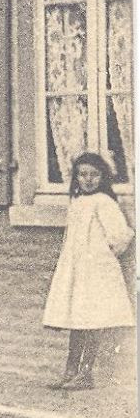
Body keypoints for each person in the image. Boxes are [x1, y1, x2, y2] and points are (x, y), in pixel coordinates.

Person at [42, 152, 134, 390]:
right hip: (78, 269)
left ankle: (86, 373)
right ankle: (70, 371)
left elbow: (121, 235)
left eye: (94, 175)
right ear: (76, 178)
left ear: (102, 177)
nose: (88, 180)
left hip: (97, 270)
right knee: (77, 320)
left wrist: (103, 256)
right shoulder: (77, 202)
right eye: (83, 174)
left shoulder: (104, 202)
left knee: (92, 320)